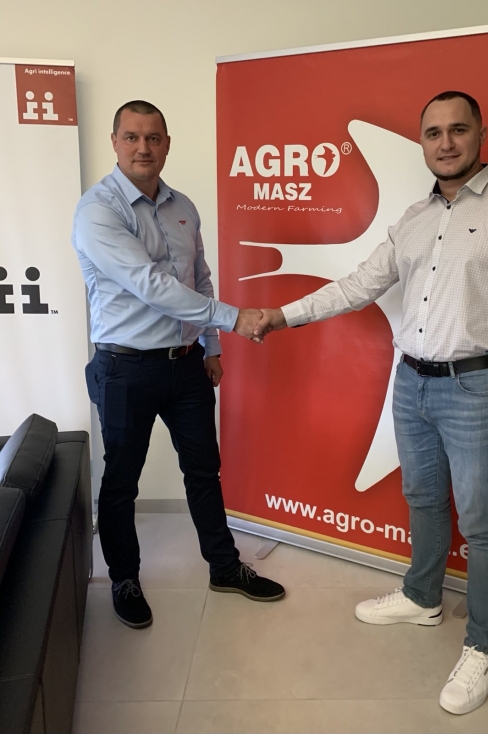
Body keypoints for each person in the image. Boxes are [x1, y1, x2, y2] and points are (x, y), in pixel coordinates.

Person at [255, 91, 488, 715]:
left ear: (481, 134)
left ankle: (484, 646)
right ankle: (423, 597)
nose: (445, 143)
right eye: (433, 133)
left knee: (482, 523)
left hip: (481, 389)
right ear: (422, 141)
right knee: (422, 498)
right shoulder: (414, 219)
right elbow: (359, 284)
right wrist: (281, 315)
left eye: (458, 129)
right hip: (411, 384)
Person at [72, 100, 284, 630]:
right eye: (132, 137)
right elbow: (151, 286)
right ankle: (124, 578)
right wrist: (234, 319)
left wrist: (211, 346)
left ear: (167, 144)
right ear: (115, 142)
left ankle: (224, 567)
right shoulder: (98, 210)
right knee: (122, 481)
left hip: (187, 366)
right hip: (125, 370)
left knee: (204, 470)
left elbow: (199, 279)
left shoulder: (183, 205)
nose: (143, 148)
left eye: (154, 138)